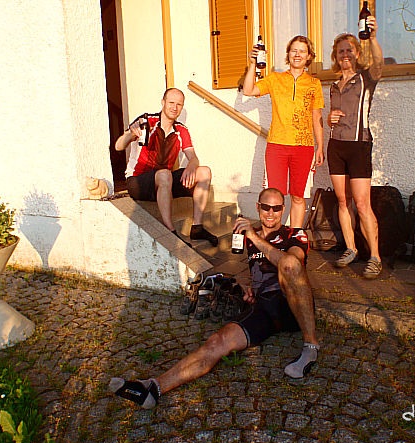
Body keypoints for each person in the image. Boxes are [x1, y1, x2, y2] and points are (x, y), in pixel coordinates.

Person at [109, 188, 320, 408]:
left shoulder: (294, 235)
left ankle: (311, 345)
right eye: (266, 207)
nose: (270, 213)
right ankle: (153, 388)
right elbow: (256, 271)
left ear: (283, 210)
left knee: (289, 265)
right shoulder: (250, 237)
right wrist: (247, 286)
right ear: (258, 207)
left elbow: (292, 265)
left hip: (291, 305)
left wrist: (254, 237)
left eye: (276, 208)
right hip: (264, 309)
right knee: (218, 341)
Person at [115, 88, 217, 246]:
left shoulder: (181, 130)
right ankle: (170, 232)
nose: (174, 107)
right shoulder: (147, 121)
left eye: (179, 104)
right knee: (164, 174)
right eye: (171, 103)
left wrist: (191, 165)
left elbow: (193, 157)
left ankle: (197, 227)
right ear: (163, 103)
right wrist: (130, 134)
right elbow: (118, 146)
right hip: (138, 182)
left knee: (204, 172)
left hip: (164, 182)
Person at [243, 36, 324, 228]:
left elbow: (317, 116)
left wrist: (320, 147)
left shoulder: (314, 83)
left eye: (302, 51)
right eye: (294, 50)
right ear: (288, 54)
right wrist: (252, 64)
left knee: (298, 196)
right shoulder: (275, 79)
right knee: (273, 197)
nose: (297, 54)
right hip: (277, 146)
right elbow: (248, 90)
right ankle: (273, 237)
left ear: (309, 56)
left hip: (304, 146)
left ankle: (296, 236)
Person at [327, 17, 384, 279]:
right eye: (341, 51)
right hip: (336, 146)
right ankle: (351, 248)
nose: (345, 55)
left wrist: (372, 37)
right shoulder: (333, 86)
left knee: (362, 204)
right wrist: (330, 118)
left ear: (357, 53)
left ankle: (375, 257)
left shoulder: (366, 78)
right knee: (342, 201)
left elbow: (379, 63)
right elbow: (333, 116)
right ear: (336, 56)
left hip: (359, 145)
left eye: (349, 50)